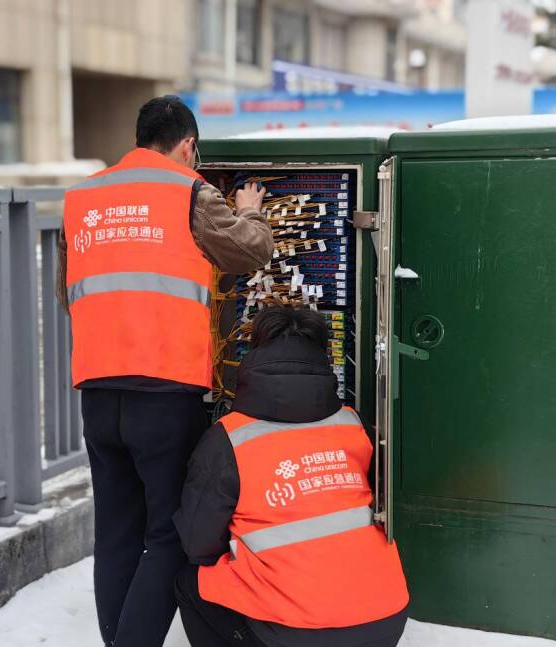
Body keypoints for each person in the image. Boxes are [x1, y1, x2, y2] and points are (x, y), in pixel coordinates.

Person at [57, 95, 273, 647]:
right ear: (188, 146)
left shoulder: (82, 197)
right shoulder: (189, 191)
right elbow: (252, 252)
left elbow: (69, 293)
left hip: (99, 392)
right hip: (165, 389)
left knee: (117, 531)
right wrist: (247, 208)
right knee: (171, 533)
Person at [173, 306, 410, 647]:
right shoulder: (351, 423)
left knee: (190, 582)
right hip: (384, 621)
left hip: (294, 631)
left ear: (254, 353)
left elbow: (198, 543)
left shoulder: (229, 436)